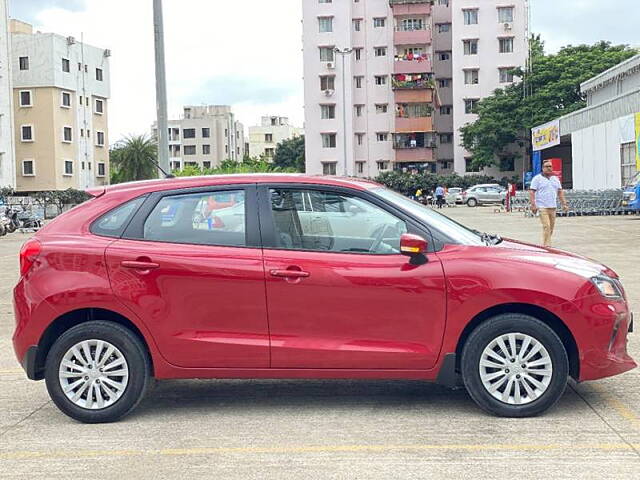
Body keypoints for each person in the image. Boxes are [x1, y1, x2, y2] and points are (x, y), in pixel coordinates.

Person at [529, 160, 569, 247]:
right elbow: (532, 192)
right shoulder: (537, 179)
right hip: (542, 206)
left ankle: (545, 244)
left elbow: (560, 192)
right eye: (547, 166)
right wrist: (533, 205)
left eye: (550, 166)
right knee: (546, 226)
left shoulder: (555, 179)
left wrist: (564, 204)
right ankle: (547, 246)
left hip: (553, 206)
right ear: (543, 168)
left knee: (551, 228)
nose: (549, 168)